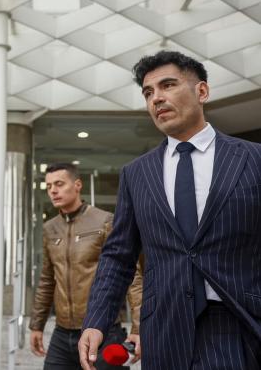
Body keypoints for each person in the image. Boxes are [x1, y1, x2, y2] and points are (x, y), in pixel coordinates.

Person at [79, 51, 261, 370]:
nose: (157, 98)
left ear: (201, 91)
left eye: (168, 85)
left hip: (239, 324)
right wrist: (96, 320)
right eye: (148, 92)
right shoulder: (136, 174)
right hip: (164, 330)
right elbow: (119, 256)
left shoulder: (253, 159)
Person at [30, 163, 143, 370]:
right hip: (62, 333)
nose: (53, 190)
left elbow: (131, 277)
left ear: (78, 185)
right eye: (49, 186)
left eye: (59, 184)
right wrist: (37, 325)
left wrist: (138, 327)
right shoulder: (49, 228)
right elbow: (47, 279)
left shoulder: (105, 221)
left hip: (103, 331)